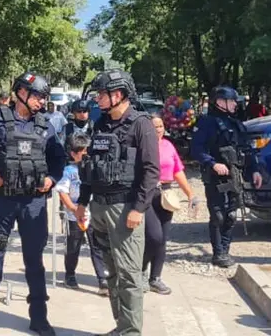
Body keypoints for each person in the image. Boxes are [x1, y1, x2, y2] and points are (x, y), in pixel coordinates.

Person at [0, 72, 65, 336]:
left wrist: (51, 179)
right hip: (3, 201)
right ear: (21, 92)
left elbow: (59, 159)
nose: (42, 102)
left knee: (34, 261)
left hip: (33, 203)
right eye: (38, 96)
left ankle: (39, 318)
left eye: (43, 98)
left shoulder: (46, 124)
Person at [75, 70, 158, 336]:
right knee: (111, 272)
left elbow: (151, 171)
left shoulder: (141, 124)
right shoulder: (101, 124)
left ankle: (131, 331)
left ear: (118, 94)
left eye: (102, 94)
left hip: (125, 209)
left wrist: (138, 208)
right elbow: (92, 166)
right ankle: (121, 326)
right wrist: (82, 202)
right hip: (99, 207)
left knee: (129, 275)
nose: (97, 99)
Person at [191, 86, 263, 268]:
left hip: (234, 175)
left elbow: (247, 150)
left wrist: (254, 170)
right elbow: (196, 149)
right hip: (215, 176)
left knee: (231, 215)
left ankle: (225, 250)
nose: (235, 104)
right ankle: (218, 253)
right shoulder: (207, 123)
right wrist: (213, 163)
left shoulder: (236, 124)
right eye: (231, 101)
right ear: (220, 102)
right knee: (218, 215)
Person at [143, 115, 197, 295]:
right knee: (154, 236)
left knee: (162, 239)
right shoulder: (141, 146)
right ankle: (140, 270)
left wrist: (190, 194)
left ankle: (155, 278)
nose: (158, 130)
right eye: (154, 127)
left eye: (160, 126)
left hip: (166, 194)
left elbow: (177, 171)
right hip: (147, 194)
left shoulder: (168, 145)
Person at [53, 133, 108, 293]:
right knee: (73, 246)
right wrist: (73, 209)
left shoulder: (94, 168)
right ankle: (70, 274)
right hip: (74, 215)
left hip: (93, 213)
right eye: (82, 152)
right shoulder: (68, 171)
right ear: (73, 153)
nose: (85, 155)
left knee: (97, 246)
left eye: (87, 152)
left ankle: (102, 279)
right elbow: (63, 192)